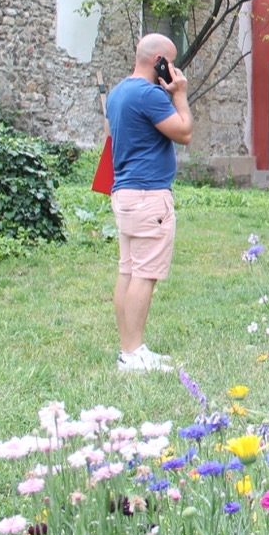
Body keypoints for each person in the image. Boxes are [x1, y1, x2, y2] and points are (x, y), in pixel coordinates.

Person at [107, 33, 192, 372]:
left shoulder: (118, 92)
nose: (173, 69)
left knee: (128, 271)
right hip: (149, 196)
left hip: (125, 193)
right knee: (145, 275)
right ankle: (133, 354)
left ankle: (129, 349)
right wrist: (180, 95)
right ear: (158, 61)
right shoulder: (150, 94)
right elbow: (184, 132)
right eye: (170, 62)